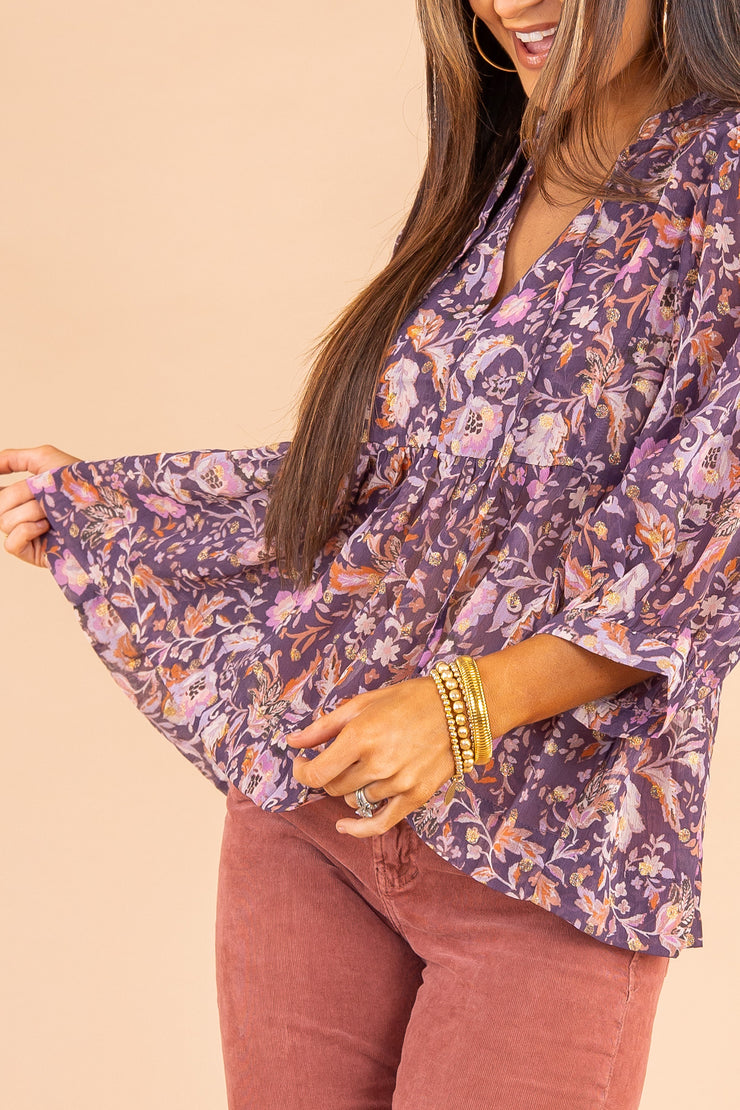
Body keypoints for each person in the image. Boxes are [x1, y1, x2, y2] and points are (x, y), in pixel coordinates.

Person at [2, 0, 740, 1106]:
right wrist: (112, 510)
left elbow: (705, 543)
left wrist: (460, 708)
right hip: (313, 805)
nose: (510, 4)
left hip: (547, 858)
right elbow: (389, 485)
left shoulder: (721, 177)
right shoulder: (503, 172)